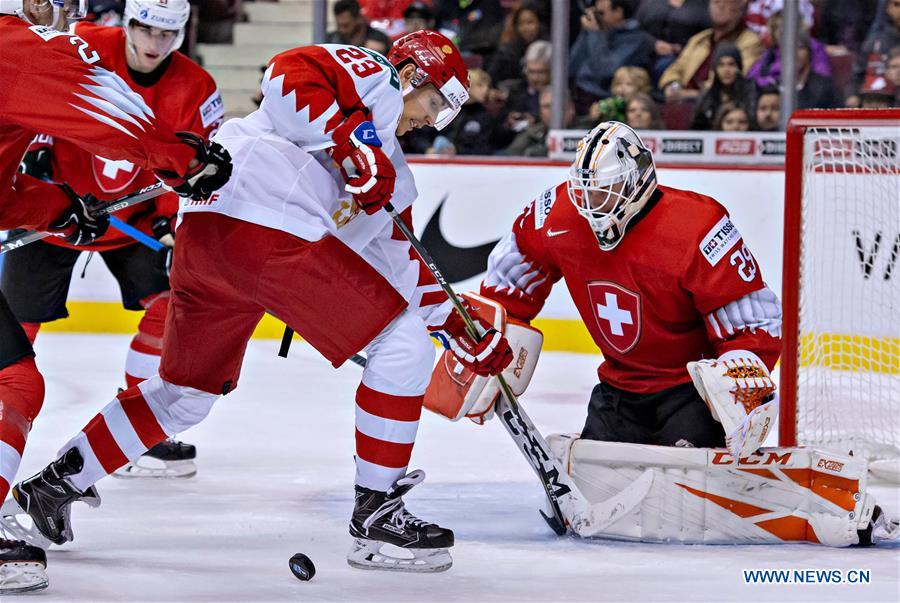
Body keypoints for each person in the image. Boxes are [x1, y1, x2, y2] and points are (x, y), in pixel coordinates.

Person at [5, 30, 513, 574]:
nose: (429, 123)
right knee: (401, 344)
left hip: (212, 236)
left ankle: (56, 485)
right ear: (413, 75)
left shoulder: (392, 171)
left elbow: (403, 259)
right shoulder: (376, 80)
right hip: (264, 223)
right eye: (433, 105)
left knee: (184, 393)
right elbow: (287, 72)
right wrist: (353, 137)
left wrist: (459, 327)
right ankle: (377, 519)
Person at [426, 122, 897, 547]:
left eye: (606, 194)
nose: (592, 207)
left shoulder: (698, 226)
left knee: (687, 503)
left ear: (636, 184)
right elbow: (509, 284)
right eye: (586, 193)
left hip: (687, 393)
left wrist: (739, 378)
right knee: (593, 496)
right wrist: (489, 337)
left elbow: (753, 323)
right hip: (617, 389)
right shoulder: (556, 213)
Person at [0, 0, 230, 593]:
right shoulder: (36, 45)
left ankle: (138, 415)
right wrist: (184, 160)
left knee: (165, 303)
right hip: (60, 203)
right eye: (145, 28)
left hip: (125, 217)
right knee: (15, 371)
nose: (155, 42)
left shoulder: (195, 86)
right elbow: (102, 112)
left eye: (167, 32)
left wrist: (172, 224)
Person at [660, 0, 763, 101]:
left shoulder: (750, 42)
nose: (720, 5)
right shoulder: (699, 39)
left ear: (741, 7)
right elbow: (676, 68)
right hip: (682, 101)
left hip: (720, 104)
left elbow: (738, 78)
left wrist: (691, 94)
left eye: (727, 1)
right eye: (716, 2)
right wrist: (673, 85)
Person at [568, 0, 655, 113]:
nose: (597, 17)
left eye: (601, 13)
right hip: (579, 95)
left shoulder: (637, 39)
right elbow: (571, 67)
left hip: (608, 99)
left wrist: (595, 33)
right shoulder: (594, 32)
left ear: (618, 12)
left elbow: (605, 69)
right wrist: (585, 32)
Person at [635, 0, 711, 80]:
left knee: (663, 66)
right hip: (647, 51)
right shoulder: (650, 3)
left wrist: (680, 48)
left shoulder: (702, 6)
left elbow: (705, 35)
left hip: (685, 55)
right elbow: (637, 29)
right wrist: (653, 43)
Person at [691, 42, 753, 130]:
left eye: (731, 64)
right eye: (721, 65)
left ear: (739, 68)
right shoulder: (707, 97)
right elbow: (696, 128)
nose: (726, 70)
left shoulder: (750, 92)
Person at [487, 1, 546, 85]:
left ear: (539, 23)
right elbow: (492, 78)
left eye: (530, 22)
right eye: (521, 23)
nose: (526, 28)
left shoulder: (548, 49)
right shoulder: (507, 51)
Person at [326, 0, 391, 53]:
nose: (342, 30)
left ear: (358, 19)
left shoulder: (377, 39)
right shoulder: (331, 39)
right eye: (339, 25)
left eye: (346, 25)